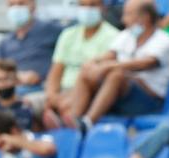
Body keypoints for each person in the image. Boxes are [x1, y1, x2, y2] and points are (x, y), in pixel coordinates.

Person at [65, 1, 169, 128]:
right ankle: (74, 123)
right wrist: (93, 63)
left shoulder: (164, 39)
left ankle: (88, 122)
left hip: (150, 101)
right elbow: (110, 55)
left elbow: (145, 63)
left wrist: (110, 66)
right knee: (87, 71)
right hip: (122, 96)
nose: (123, 19)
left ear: (145, 17)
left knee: (117, 75)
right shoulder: (127, 35)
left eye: (128, 14)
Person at [43, 0, 120, 129]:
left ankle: (69, 127)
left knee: (67, 109)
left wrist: (69, 98)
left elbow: (101, 78)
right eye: (83, 5)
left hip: (89, 93)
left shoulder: (114, 37)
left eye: (92, 5)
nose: (87, 10)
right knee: (28, 106)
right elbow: (55, 71)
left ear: (103, 8)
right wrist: (53, 97)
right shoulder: (67, 34)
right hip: (62, 93)